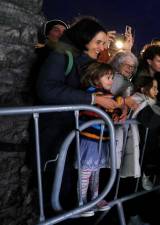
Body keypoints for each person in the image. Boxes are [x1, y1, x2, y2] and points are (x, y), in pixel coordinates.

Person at [36, 17, 118, 211]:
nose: (101, 47)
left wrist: (116, 104)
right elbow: (47, 89)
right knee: (55, 183)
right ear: (84, 37)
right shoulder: (61, 55)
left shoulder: (82, 59)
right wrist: (94, 100)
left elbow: (96, 87)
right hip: (55, 130)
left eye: (104, 43)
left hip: (72, 130)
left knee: (68, 183)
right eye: (98, 42)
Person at [77, 62, 125, 217]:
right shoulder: (93, 93)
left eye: (112, 77)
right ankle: (82, 201)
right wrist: (122, 102)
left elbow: (112, 108)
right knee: (86, 172)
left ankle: (96, 197)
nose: (111, 81)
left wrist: (119, 112)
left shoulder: (105, 94)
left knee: (96, 170)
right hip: (90, 139)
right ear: (96, 79)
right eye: (108, 77)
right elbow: (109, 103)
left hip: (101, 139)